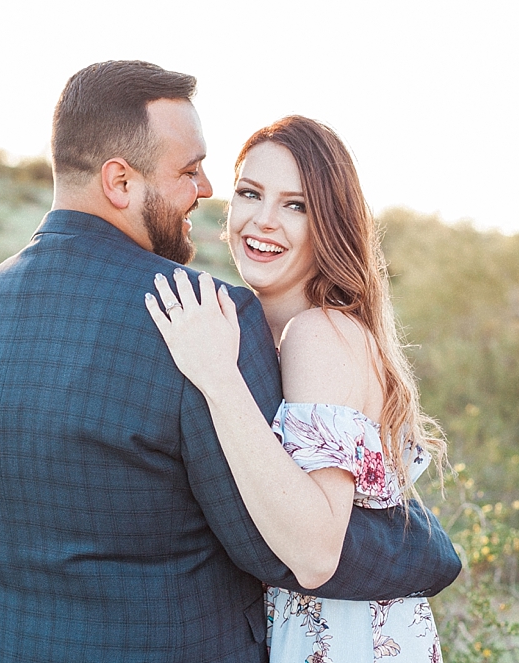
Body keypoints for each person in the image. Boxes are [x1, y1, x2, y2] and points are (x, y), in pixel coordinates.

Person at [0, 61, 460, 663]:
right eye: (191, 171)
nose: (207, 192)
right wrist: (423, 549)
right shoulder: (199, 316)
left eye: (295, 204)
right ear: (120, 182)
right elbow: (269, 548)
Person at [146, 116, 449, 662]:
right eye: (249, 193)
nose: (263, 222)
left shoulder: (320, 334)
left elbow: (314, 554)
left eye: (296, 205)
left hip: (343, 643)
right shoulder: (268, 331)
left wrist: (218, 378)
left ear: (329, 223)